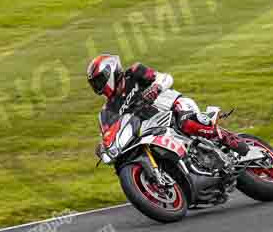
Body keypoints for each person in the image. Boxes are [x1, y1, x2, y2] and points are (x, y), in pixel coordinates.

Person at [86, 54, 248, 158]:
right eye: (95, 84)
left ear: (112, 71)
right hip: (153, 132)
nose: (98, 86)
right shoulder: (106, 112)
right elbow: (109, 135)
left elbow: (166, 78)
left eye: (100, 80)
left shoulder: (134, 73)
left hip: (174, 107)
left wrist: (155, 88)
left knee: (186, 122)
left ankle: (228, 139)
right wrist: (102, 148)